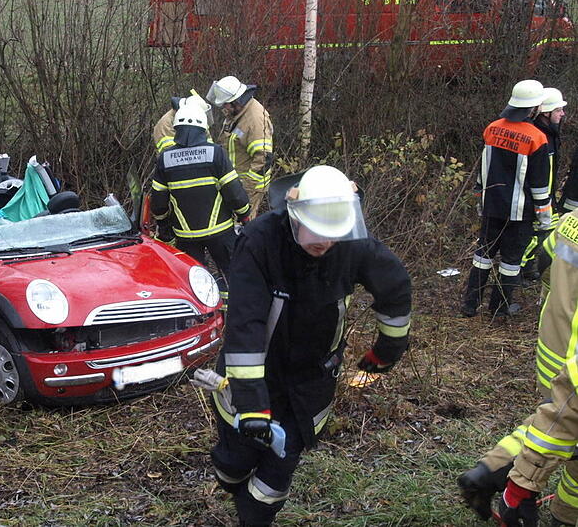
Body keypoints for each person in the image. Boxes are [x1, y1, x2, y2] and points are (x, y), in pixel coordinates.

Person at [207, 165, 412, 526]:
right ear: (295, 215)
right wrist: (253, 405)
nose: (325, 242)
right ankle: (234, 480)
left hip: (310, 383)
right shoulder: (260, 241)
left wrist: (387, 351)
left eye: (333, 234)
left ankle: (254, 518)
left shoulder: (349, 242)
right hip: (255, 376)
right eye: (316, 232)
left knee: (274, 479)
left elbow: (394, 287)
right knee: (234, 464)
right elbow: (246, 324)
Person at [458, 209, 578, 526]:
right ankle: (561, 516)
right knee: (561, 425)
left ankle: (488, 472)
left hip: (553, 351)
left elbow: (541, 261)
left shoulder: (570, 222)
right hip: (574, 363)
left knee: (552, 422)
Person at [460, 79, 553, 319]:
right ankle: (499, 309)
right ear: (533, 108)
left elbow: (482, 168)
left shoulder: (492, 129)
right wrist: (545, 217)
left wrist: (480, 198)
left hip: (491, 206)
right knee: (511, 262)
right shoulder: (537, 138)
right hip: (519, 213)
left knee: (483, 255)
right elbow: (540, 184)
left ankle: (470, 305)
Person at [151, 104, 250, 307]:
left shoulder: (165, 159)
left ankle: (204, 315)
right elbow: (234, 193)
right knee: (233, 273)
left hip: (186, 237)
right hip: (221, 231)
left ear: (176, 129)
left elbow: (158, 203)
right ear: (203, 129)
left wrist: (163, 225)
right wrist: (245, 215)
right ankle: (233, 310)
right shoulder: (216, 154)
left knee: (193, 280)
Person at [206, 76, 275, 213]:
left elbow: (263, 158)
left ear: (236, 101)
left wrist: (246, 189)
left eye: (225, 104)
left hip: (248, 185)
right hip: (235, 182)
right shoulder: (237, 113)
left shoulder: (255, 119)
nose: (223, 108)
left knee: (243, 225)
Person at [520, 87, 567, 281]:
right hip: (536, 199)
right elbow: (539, 176)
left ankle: (528, 268)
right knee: (535, 234)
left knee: (544, 232)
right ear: (545, 113)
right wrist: (544, 204)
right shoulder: (541, 137)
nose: (562, 114)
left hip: (545, 197)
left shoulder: (550, 133)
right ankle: (520, 270)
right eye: (558, 110)